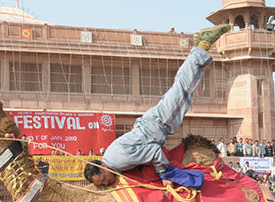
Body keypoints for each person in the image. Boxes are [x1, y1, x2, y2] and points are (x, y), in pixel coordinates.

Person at [84, 25, 230, 187]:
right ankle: (197, 47)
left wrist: (163, 175)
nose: (107, 181)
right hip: (154, 125)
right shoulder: (112, 161)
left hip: (159, 123)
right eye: (103, 183)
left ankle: (203, 45)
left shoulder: (118, 160)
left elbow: (154, 151)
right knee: (182, 89)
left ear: (102, 167)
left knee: (183, 89)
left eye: (104, 178)